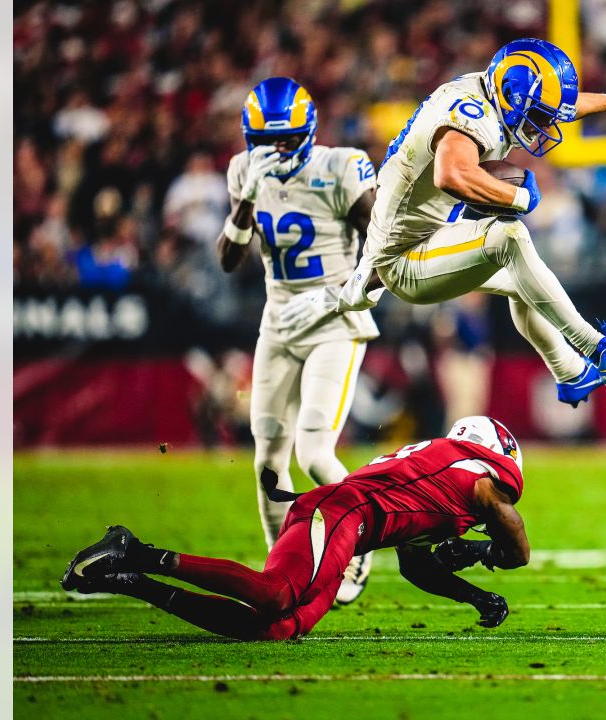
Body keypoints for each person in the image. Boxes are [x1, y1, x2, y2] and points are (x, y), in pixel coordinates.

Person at [277, 39, 606, 408]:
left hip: (428, 237)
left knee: (525, 279)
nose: (544, 126)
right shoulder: (468, 113)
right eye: (538, 114)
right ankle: (598, 349)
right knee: (510, 236)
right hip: (405, 258)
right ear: (510, 95)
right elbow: (450, 174)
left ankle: (571, 373)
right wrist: (519, 198)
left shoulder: (500, 91)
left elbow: (561, 106)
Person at [60, 417, 530, 640]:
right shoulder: (478, 478)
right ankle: (135, 550)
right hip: (342, 513)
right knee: (275, 595)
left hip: (345, 527)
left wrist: (473, 595)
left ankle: (131, 581)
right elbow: (513, 535)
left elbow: (416, 566)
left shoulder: (437, 475)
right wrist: (489, 554)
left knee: (278, 628)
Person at [215, 77, 378, 604]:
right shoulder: (244, 171)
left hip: (335, 321)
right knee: (266, 459)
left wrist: (340, 296)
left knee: (314, 451)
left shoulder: (340, 167)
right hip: (278, 323)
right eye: (263, 140)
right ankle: (279, 568)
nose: (274, 150)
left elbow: (382, 246)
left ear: (306, 133)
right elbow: (228, 259)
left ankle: (360, 547)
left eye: (284, 139)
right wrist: (243, 201)